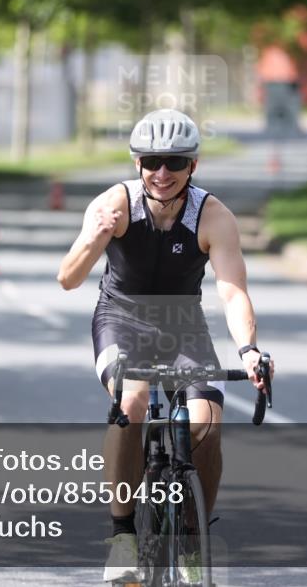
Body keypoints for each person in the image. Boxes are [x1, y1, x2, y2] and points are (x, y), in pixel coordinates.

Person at [57, 109, 274, 583]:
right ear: (137, 163)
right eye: (152, 160)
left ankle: (195, 538)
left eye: (174, 162)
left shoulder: (213, 216)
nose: (162, 172)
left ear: (192, 166)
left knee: (208, 420)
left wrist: (250, 350)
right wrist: (95, 237)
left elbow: (233, 290)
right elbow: (68, 279)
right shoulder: (114, 204)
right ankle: (122, 537)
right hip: (121, 317)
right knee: (131, 403)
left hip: (182, 324)